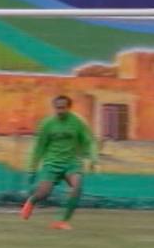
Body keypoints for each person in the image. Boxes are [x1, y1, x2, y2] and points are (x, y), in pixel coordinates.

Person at [20, 94, 97, 230]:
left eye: (63, 108)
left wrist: (93, 158)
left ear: (69, 107)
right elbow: (39, 148)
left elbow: (88, 141)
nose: (60, 111)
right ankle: (32, 201)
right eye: (57, 108)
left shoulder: (77, 123)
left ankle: (62, 221)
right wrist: (31, 169)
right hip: (51, 163)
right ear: (54, 108)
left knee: (77, 186)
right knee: (44, 193)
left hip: (71, 163)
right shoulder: (47, 124)